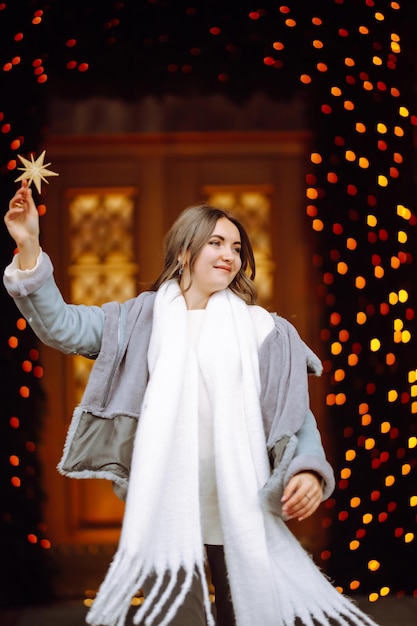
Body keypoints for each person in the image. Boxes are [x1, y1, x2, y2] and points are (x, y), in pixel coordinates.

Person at [4, 180, 378, 626]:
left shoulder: (265, 332)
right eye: (216, 242)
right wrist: (28, 246)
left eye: (237, 247)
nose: (230, 255)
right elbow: (62, 326)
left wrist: (310, 470)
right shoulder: (135, 321)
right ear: (184, 252)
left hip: (242, 510)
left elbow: (295, 417)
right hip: (169, 510)